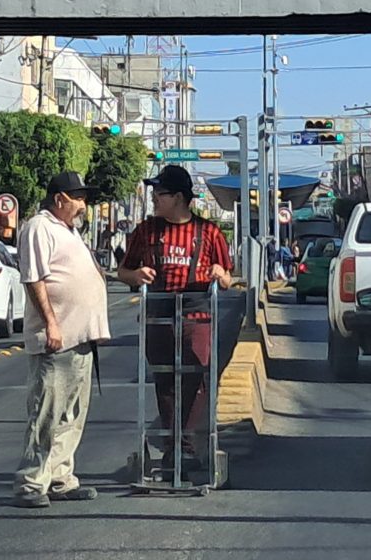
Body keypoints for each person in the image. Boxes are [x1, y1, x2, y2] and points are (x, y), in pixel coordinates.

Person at [117, 165, 233, 468]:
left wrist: (219, 274)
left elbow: (227, 278)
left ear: (179, 197)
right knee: (164, 379)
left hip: (197, 316)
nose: (154, 198)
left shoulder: (209, 232)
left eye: (160, 193)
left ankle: (189, 447)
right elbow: (123, 271)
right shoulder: (145, 231)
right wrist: (136, 274)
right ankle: (172, 448)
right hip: (158, 313)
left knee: (196, 378)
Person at [13, 171, 111, 509]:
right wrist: (51, 324)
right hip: (58, 338)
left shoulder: (67, 230)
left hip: (82, 337)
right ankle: (30, 482)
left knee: (72, 414)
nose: (83, 204)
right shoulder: (39, 227)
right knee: (46, 413)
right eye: (78, 198)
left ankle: (60, 477)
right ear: (59, 199)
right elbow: (34, 278)